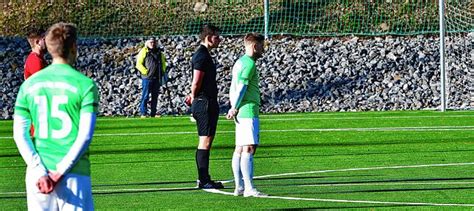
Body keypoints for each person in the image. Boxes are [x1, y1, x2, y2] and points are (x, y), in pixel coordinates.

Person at [13, 22, 99, 210]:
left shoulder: (27, 86)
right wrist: (59, 172)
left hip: (38, 174)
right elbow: (85, 135)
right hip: (74, 173)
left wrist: (39, 170)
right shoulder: (85, 85)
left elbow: (20, 134)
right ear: (74, 47)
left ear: (49, 47)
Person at [226, 33, 267, 197]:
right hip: (247, 109)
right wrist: (234, 107)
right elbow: (241, 87)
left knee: (240, 149)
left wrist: (232, 106)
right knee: (249, 148)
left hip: (240, 109)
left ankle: (239, 187)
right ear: (254, 46)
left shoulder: (239, 62)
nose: (263, 49)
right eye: (262, 46)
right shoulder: (249, 64)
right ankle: (249, 188)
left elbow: (232, 86)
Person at [184, 24, 223, 189]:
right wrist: (193, 96)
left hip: (206, 101)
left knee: (207, 140)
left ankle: (205, 178)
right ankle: (203, 179)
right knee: (204, 141)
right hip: (204, 103)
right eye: (217, 36)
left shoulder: (205, 55)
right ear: (208, 38)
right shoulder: (201, 56)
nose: (219, 40)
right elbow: (196, 81)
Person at [24, 28, 48, 138]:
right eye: (45, 39)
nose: (48, 41)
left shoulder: (38, 59)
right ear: (38, 42)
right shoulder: (36, 61)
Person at [136, 37, 168, 118]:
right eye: (151, 42)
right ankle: (143, 113)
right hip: (147, 78)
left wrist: (162, 71)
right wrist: (146, 72)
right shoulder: (144, 51)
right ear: (147, 43)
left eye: (154, 42)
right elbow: (138, 64)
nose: (153, 44)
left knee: (155, 96)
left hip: (156, 77)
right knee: (145, 95)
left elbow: (163, 63)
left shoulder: (159, 53)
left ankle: (153, 113)